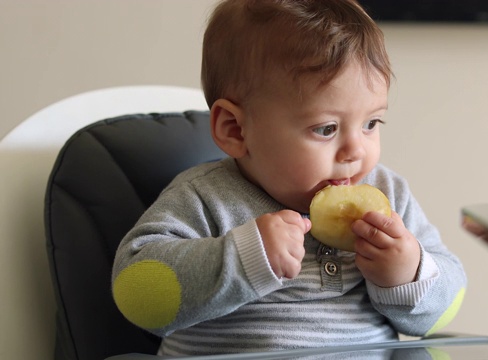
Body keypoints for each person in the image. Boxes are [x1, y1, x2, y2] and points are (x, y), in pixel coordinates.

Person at [111, 0, 467, 356]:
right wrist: (244, 256)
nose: (355, 151)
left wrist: (409, 272)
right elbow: (135, 295)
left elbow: (445, 311)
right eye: (326, 128)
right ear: (236, 129)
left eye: (371, 124)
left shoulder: (389, 194)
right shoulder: (204, 198)